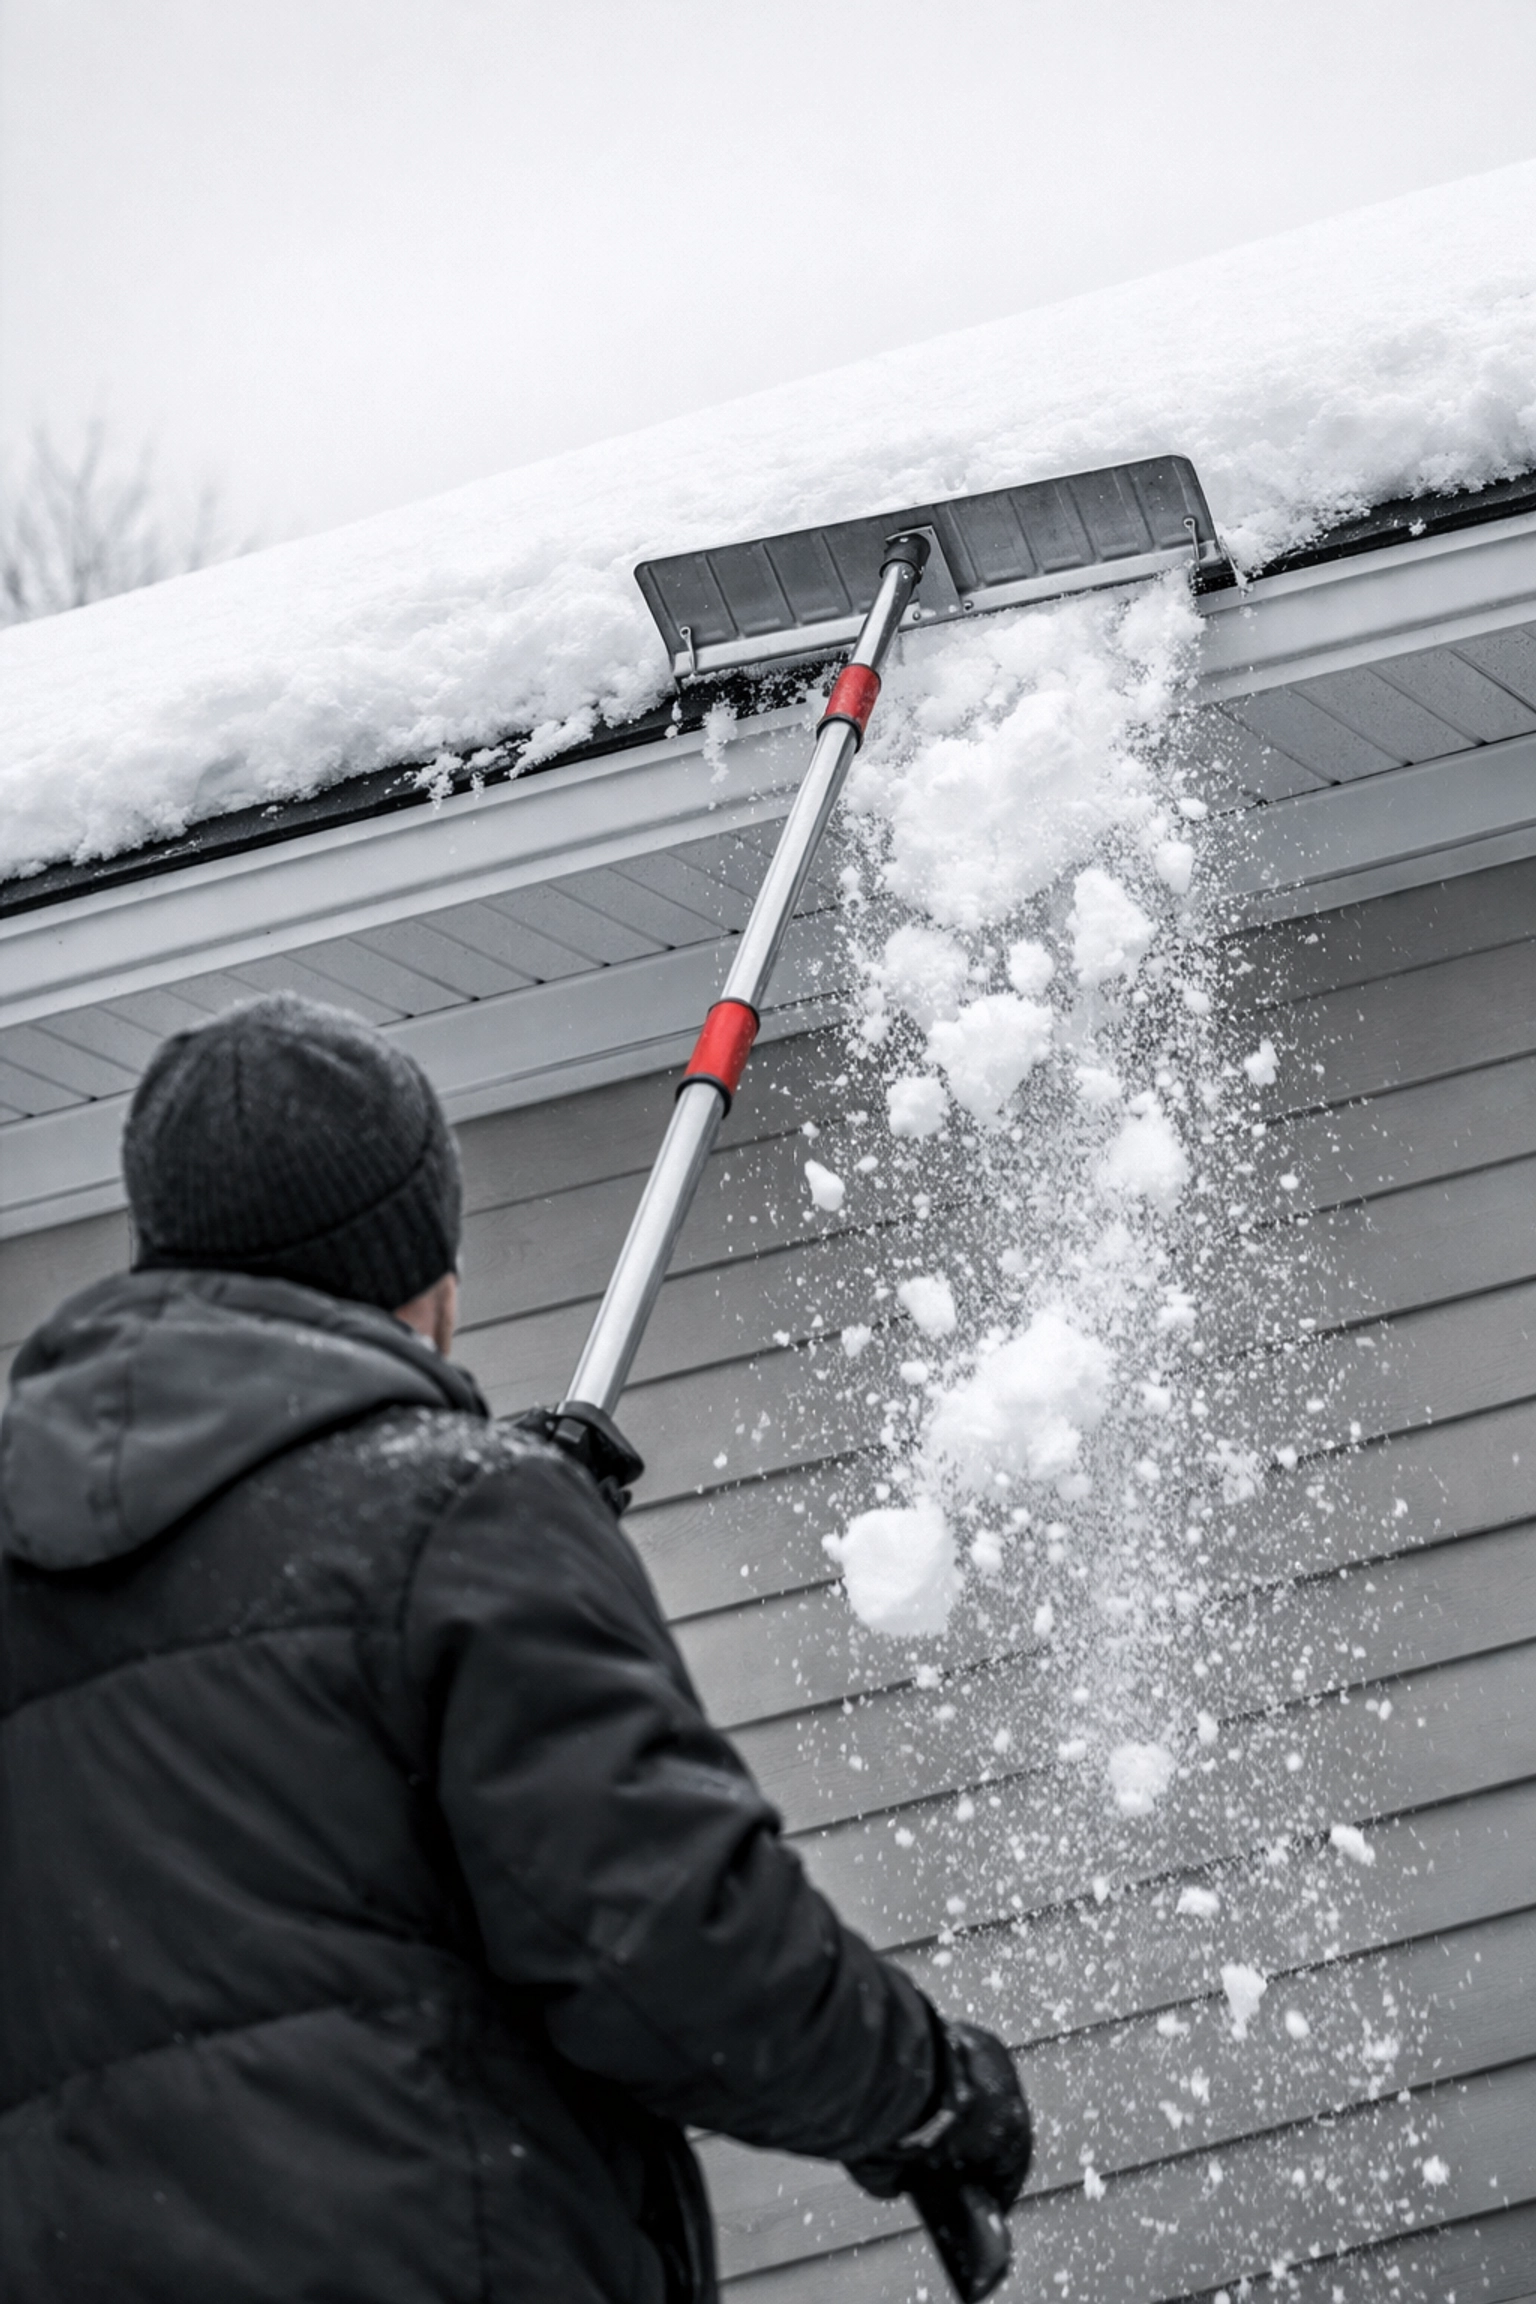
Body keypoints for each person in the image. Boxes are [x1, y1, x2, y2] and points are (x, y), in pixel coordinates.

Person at [0, 993, 1030, 2303]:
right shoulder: (452, 1522)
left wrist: (462, 1524)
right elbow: (677, 1946)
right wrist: (932, 2094)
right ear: (419, 1274)